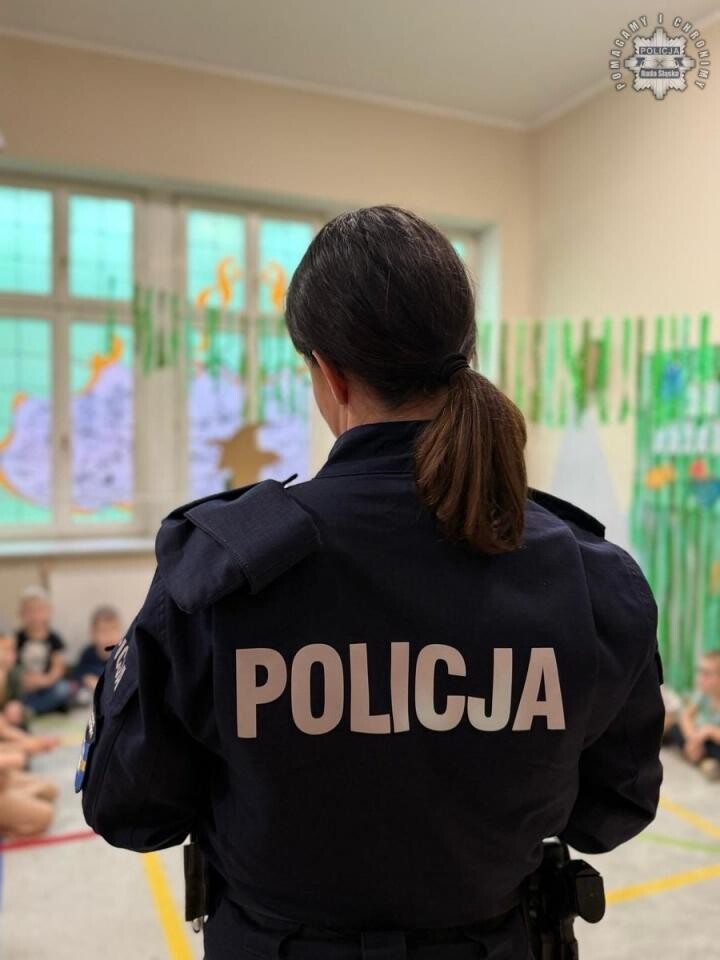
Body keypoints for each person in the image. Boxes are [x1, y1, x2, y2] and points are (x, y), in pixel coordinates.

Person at [80, 206, 664, 960]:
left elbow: (130, 808)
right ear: (463, 354)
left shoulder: (221, 571)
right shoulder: (589, 576)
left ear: (329, 373)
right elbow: (612, 812)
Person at [666, 650, 720, 781]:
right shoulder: (704, 693)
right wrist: (692, 739)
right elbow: (686, 716)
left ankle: (703, 759)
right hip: (702, 738)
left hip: (714, 739)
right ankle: (705, 761)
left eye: (706, 673)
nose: (700, 678)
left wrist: (710, 731)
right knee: (675, 729)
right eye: (699, 672)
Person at [15, 587, 71, 716]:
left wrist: (44, 681)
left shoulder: (54, 639)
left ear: (48, 611)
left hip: (48, 685)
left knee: (63, 688)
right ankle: (35, 708)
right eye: (29, 611)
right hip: (25, 686)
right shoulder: (17, 638)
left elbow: (58, 669)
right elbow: (11, 666)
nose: (34, 616)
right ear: (21, 614)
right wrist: (24, 680)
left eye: (38, 610)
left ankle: (32, 709)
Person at [71, 606, 122, 707]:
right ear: (93, 634)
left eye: (113, 630)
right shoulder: (88, 654)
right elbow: (77, 673)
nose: (109, 636)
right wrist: (86, 679)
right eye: (103, 631)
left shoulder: (122, 653)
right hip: (91, 695)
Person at [0, 625, 25, 727]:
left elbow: (17, 698)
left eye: (13, 650)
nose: (11, 655)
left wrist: (16, 707)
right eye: (5, 650)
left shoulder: (15, 673)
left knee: (15, 710)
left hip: (5, 718)